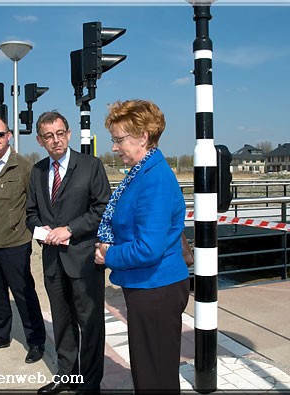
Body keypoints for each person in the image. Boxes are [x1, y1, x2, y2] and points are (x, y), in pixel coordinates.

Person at [94, 100, 190, 392]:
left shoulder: (154, 179)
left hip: (156, 290)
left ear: (143, 137)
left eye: (119, 139)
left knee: (155, 376)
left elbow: (149, 248)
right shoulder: (142, 173)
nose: (113, 147)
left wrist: (109, 254)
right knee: (150, 370)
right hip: (148, 288)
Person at [26, 111, 110, 394]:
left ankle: (89, 384)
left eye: (60, 133)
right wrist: (43, 231)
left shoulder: (90, 165)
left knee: (90, 324)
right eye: (49, 136)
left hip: (84, 260)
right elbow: (31, 214)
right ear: (40, 140)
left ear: (69, 134)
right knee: (62, 323)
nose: (56, 140)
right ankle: (67, 376)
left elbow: (102, 210)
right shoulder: (37, 171)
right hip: (52, 261)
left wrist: (69, 230)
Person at [0, 116, 46, 364]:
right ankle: (0, 334)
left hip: (14, 241)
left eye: (0, 134)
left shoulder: (23, 167)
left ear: (9, 135)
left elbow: (33, 202)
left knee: (23, 293)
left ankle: (36, 340)